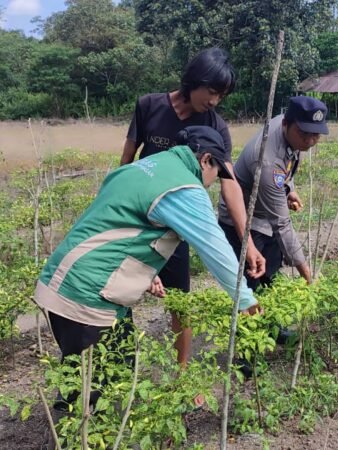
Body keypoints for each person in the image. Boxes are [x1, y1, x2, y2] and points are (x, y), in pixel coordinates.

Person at [36, 126, 262, 408]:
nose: (212, 182)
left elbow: (120, 221)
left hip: (63, 281)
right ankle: (82, 422)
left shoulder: (144, 167)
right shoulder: (184, 187)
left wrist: (145, 272)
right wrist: (245, 300)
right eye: (217, 173)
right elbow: (214, 247)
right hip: (87, 296)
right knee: (101, 384)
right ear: (206, 160)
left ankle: (76, 411)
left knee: (97, 369)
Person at [120, 47, 265, 367]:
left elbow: (230, 184)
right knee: (120, 291)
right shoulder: (149, 106)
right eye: (212, 91)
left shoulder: (215, 125)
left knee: (180, 303)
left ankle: (182, 373)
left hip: (176, 225)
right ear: (194, 80)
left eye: (221, 96)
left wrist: (248, 243)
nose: (214, 101)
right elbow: (127, 158)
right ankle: (120, 367)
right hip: (138, 219)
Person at [218, 96, 329, 290]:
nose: (310, 141)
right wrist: (308, 277)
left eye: (316, 135)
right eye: (304, 133)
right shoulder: (266, 162)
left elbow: (285, 162)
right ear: (286, 124)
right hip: (244, 222)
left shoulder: (285, 126)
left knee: (271, 279)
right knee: (248, 286)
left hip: (265, 218)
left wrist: (288, 188)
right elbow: (282, 223)